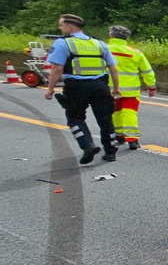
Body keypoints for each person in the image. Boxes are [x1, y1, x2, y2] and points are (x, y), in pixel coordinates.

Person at [43, 14, 122, 163]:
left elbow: (57, 69)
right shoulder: (99, 43)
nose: (60, 28)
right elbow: (113, 68)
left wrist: (50, 89)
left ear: (70, 27)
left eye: (61, 25)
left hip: (76, 86)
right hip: (100, 86)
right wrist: (116, 88)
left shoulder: (62, 43)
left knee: (75, 117)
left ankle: (88, 145)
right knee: (105, 119)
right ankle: (111, 152)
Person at [107, 25, 157, 149]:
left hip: (110, 89)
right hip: (131, 90)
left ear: (111, 36)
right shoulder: (136, 52)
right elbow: (147, 71)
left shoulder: (104, 50)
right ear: (126, 38)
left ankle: (119, 135)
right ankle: (132, 140)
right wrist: (151, 86)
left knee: (115, 112)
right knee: (129, 113)